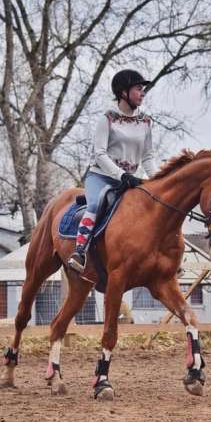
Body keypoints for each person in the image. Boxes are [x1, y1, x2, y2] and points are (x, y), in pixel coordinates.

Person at [68, 69, 157, 273]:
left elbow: (148, 157)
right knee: (96, 203)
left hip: (129, 180)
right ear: (123, 92)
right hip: (101, 176)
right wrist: (121, 175)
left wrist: (158, 179)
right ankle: (80, 251)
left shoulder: (146, 121)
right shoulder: (107, 118)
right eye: (138, 89)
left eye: (143, 89)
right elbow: (100, 153)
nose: (142, 93)